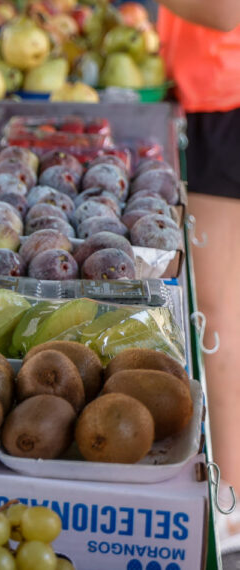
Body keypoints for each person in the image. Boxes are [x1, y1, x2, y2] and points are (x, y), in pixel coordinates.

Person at [156, 0, 240, 494]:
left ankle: (229, 491)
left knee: (216, 315)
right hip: (213, 96)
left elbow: (226, 11)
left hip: (223, 100)